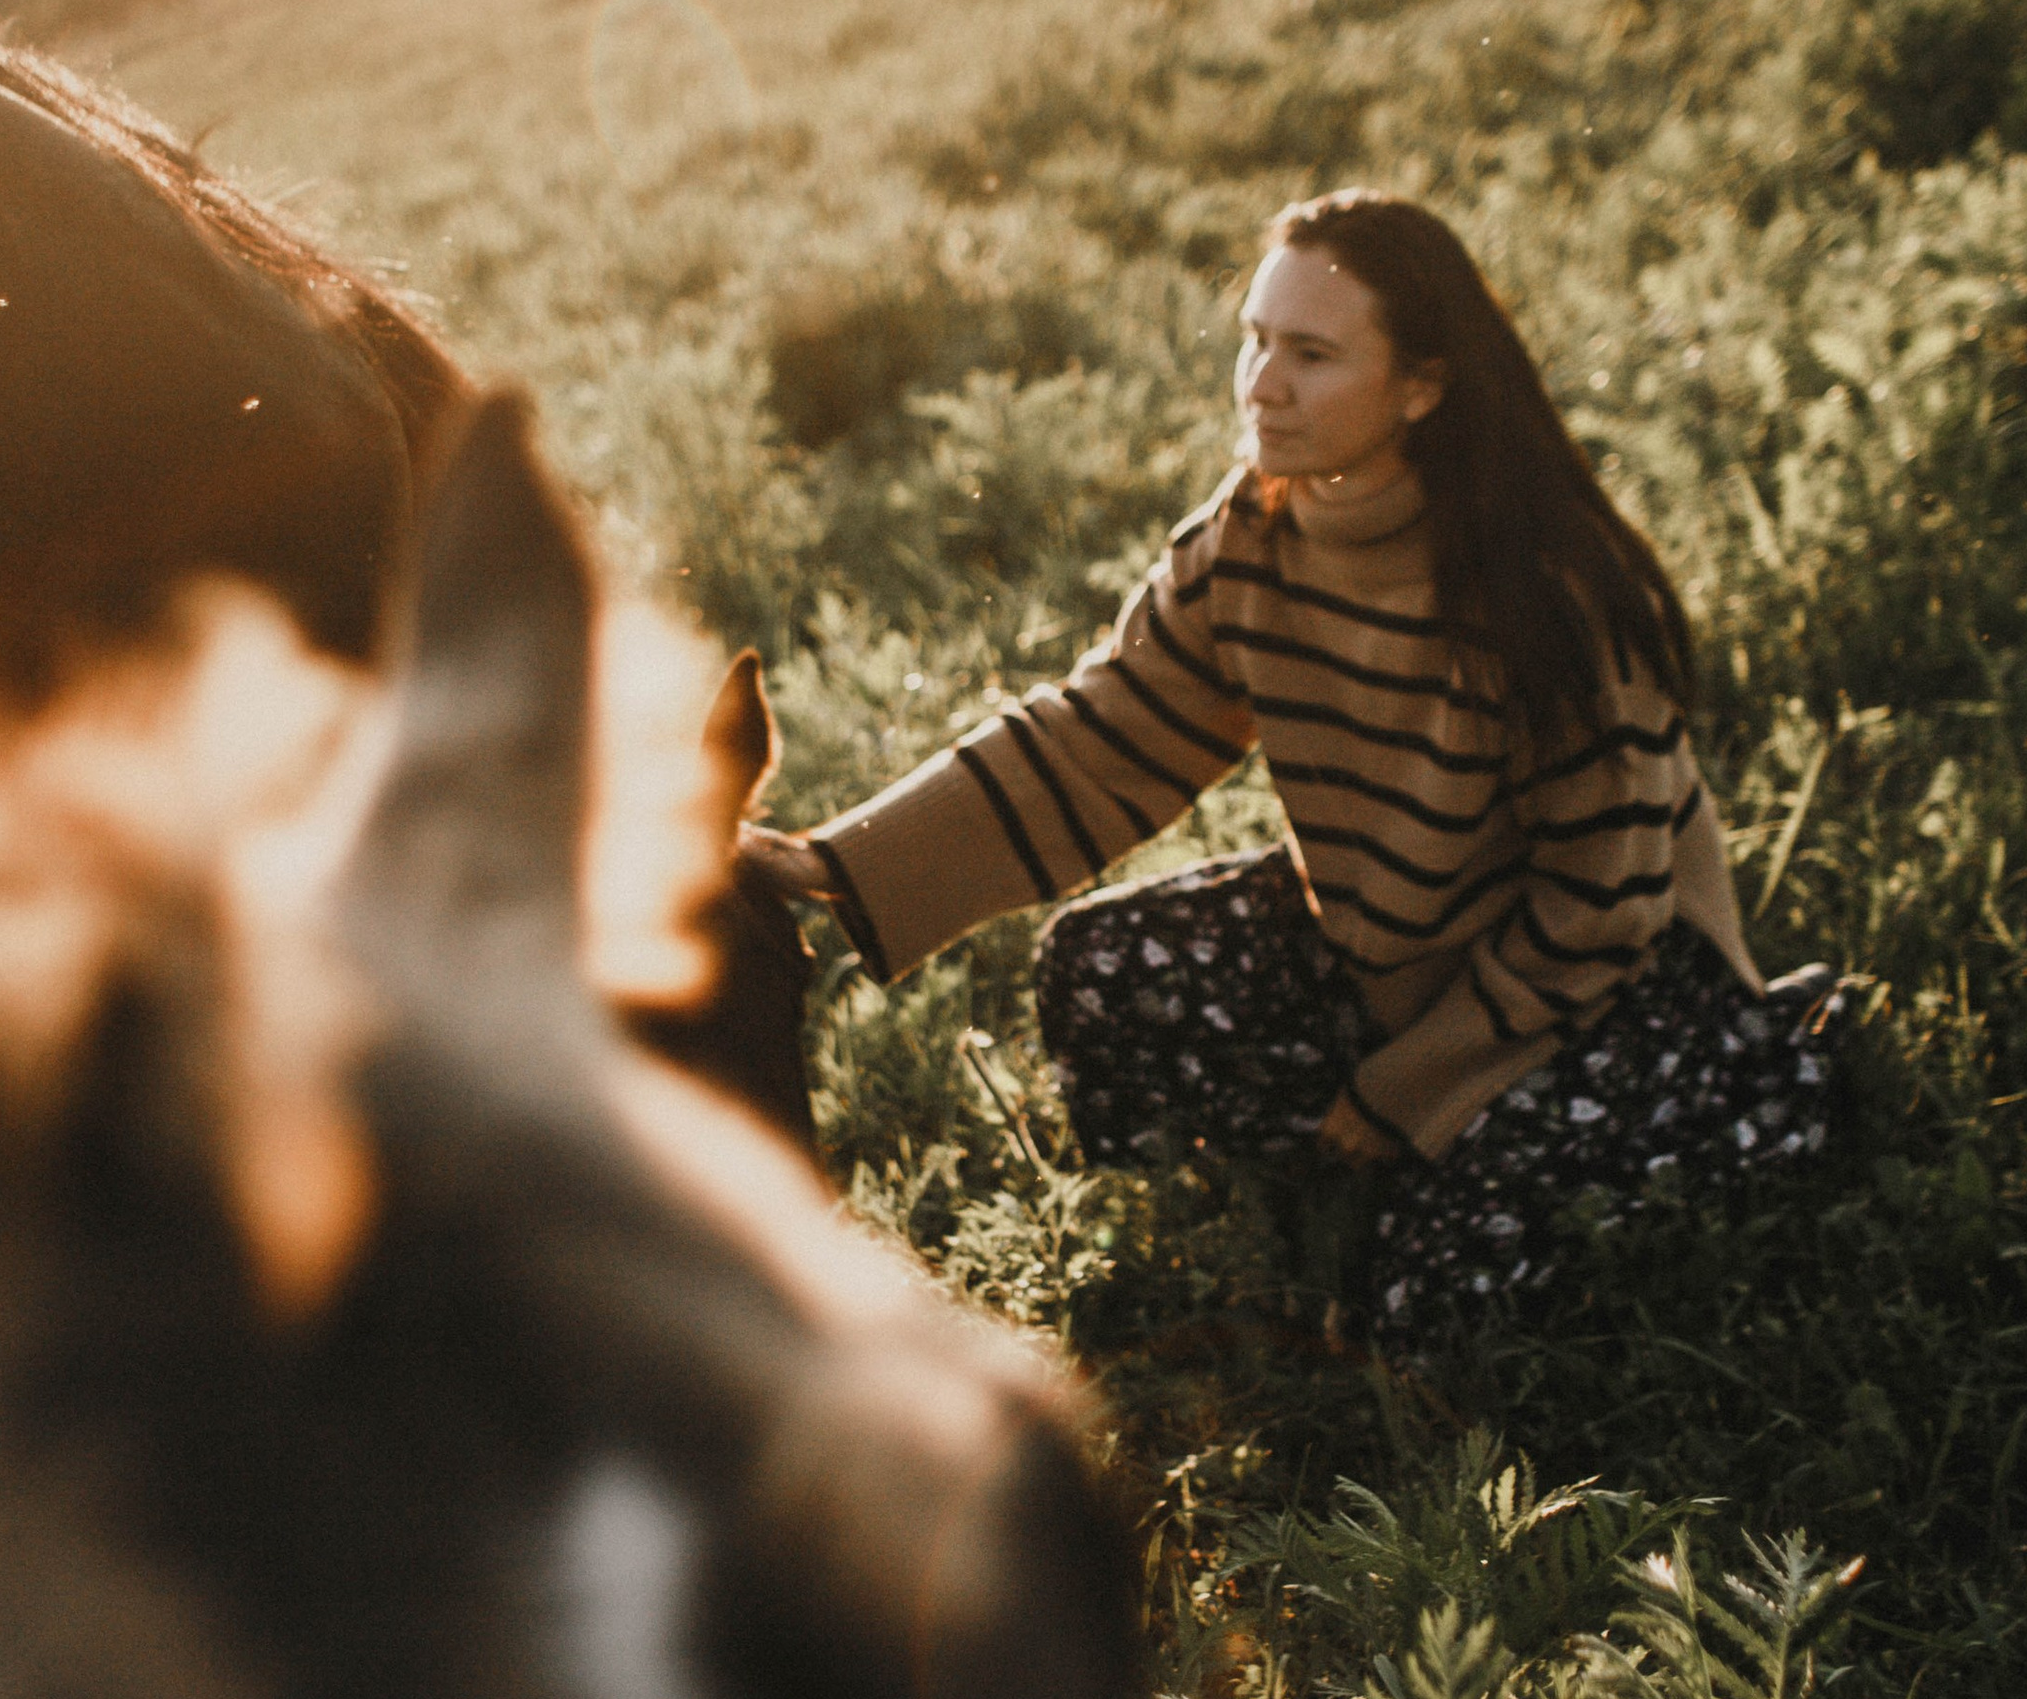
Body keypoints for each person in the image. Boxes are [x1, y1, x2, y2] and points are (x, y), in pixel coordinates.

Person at [741, 190, 1835, 1338]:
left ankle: (1768, 1074)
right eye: (1255, 341)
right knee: (1098, 969)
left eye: (1311, 355)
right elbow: (1101, 733)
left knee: (1429, 1297)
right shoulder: (1251, 537)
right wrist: (835, 863)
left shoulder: (1547, 595)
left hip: (1603, 987)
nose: (1261, 384)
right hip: (1386, 950)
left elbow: (1601, 911)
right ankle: (1307, 1189)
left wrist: (1410, 1086)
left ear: (1420, 387)